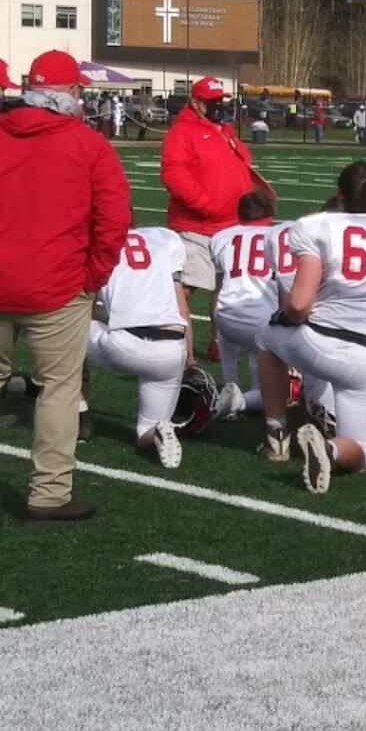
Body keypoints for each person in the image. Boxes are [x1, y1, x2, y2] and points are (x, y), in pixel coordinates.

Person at [0, 49, 130, 522]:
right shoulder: (89, 145)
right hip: (56, 285)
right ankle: (49, 493)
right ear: (73, 93)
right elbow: (113, 221)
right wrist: (91, 277)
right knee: (57, 390)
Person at [255, 161, 366, 493]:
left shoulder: (315, 226)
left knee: (266, 339)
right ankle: (331, 449)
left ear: (339, 194)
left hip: (317, 344)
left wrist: (287, 321)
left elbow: (298, 304)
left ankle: (276, 432)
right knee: (362, 453)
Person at [161, 76, 273, 358]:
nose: (218, 106)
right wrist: (205, 204)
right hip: (197, 225)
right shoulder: (183, 132)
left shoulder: (223, 130)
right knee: (185, 288)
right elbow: (174, 173)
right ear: (196, 104)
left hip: (229, 225)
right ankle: (178, 345)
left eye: (220, 101)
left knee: (224, 287)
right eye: (212, 102)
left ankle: (218, 343)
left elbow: (240, 164)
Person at [85, 225, 190, 469]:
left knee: (66, 332)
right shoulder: (165, 239)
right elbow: (182, 309)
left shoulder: (98, 244)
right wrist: (190, 358)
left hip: (126, 343)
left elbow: (84, 307)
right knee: (145, 431)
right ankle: (160, 432)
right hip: (172, 347)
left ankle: (78, 416)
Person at [211, 191, 279, 419]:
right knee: (283, 390)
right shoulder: (279, 236)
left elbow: (219, 289)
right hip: (262, 323)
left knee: (228, 312)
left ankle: (229, 383)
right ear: (269, 214)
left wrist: (214, 333)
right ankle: (243, 400)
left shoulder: (221, 237)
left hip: (226, 317)